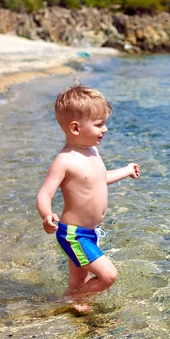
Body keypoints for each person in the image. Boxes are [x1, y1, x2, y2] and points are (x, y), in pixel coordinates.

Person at [36, 84, 140, 313]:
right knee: (108, 275)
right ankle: (63, 304)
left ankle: (73, 303)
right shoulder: (65, 161)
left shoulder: (93, 151)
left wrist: (126, 170)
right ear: (75, 128)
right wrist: (46, 214)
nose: (106, 130)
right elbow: (45, 192)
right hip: (74, 235)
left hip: (90, 232)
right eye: (99, 124)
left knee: (77, 283)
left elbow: (100, 179)